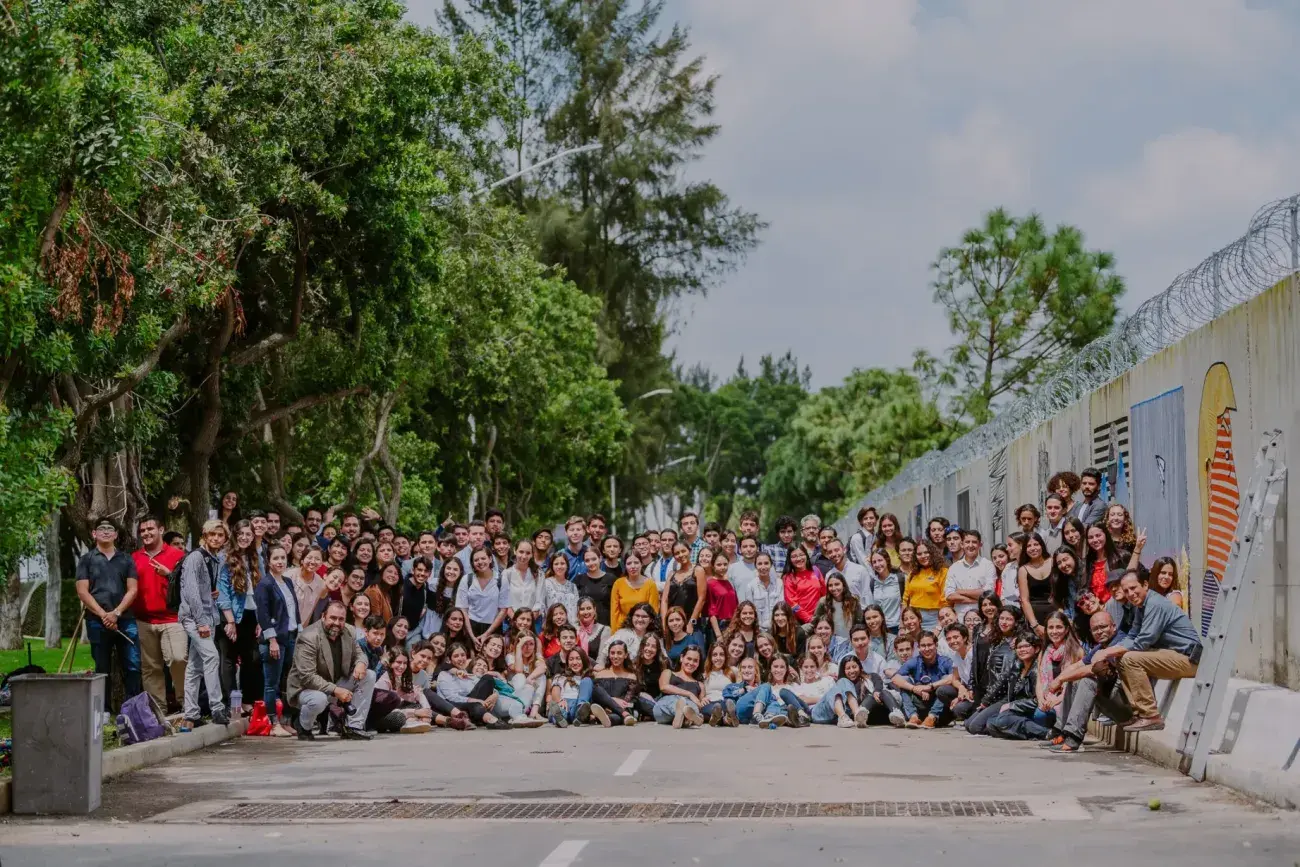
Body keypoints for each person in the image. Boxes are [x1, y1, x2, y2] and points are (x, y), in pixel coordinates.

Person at [1090, 570, 1202, 732]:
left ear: (1145, 585)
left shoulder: (1155, 604)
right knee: (1122, 658)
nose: (1130, 594)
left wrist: (1107, 653)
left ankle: (1150, 715)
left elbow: (1143, 642)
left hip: (1189, 659)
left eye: (1133, 588)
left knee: (1129, 659)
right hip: (1172, 656)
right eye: (1126, 590)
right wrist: (1110, 651)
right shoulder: (1140, 607)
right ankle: (1137, 714)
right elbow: (1132, 636)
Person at [1043, 609, 1135, 753]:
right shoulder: (1099, 647)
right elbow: (1077, 666)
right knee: (1074, 680)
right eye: (1095, 629)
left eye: (1103, 627)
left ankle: (1074, 738)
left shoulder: (1119, 643)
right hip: (1111, 704)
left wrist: (1060, 679)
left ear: (1114, 627)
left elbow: (1091, 669)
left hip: (1128, 710)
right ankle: (1062, 732)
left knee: (1087, 681)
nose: (1099, 631)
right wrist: (1055, 683)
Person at [285, 600, 375, 740]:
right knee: (319, 699)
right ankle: (303, 726)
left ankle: (354, 727)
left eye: (341, 619)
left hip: (335, 683)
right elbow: (307, 677)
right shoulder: (308, 637)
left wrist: (361, 663)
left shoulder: (349, 631)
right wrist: (336, 690)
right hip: (306, 688)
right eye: (333, 618)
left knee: (369, 675)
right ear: (323, 616)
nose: (337, 623)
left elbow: (359, 654)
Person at [76, 519, 142, 708]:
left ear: (116, 535)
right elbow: (82, 592)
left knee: (133, 665)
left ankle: (132, 708)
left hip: (125, 620)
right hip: (96, 622)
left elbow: (133, 589)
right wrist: (103, 615)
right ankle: (102, 711)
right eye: (101, 529)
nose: (106, 532)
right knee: (102, 669)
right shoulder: (86, 560)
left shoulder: (127, 559)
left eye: (110, 529)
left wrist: (116, 613)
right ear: (94, 534)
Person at [131, 515, 186, 711]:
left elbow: (187, 586)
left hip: (173, 619)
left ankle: (186, 704)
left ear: (161, 530)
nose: (146, 533)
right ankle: (158, 711)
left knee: (178, 659)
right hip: (144, 621)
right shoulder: (134, 558)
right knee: (150, 668)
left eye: (150, 529)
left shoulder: (178, 555)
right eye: (142, 530)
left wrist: (169, 575)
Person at [217, 519, 264, 709]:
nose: (244, 537)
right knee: (228, 658)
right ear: (235, 536)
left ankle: (246, 700)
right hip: (231, 615)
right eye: (241, 534)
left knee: (251, 658)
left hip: (251, 614)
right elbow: (222, 591)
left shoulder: (255, 557)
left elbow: (261, 589)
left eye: (248, 534)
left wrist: (261, 619)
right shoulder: (224, 557)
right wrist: (230, 621)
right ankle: (230, 703)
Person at [255, 544, 301, 737]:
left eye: (283, 558)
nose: (280, 562)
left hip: (290, 636)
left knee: (287, 681)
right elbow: (263, 615)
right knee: (271, 683)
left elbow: (293, 610)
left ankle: (286, 721)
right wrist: (272, 640)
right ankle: (273, 723)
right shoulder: (265, 584)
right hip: (274, 640)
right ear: (268, 561)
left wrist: (299, 631)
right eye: (276, 558)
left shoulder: (288, 581)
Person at [966, 631, 1040, 737]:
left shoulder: (1037, 671)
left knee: (978, 726)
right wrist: (986, 701)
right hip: (1009, 700)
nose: (1022, 650)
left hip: (1022, 706)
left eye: (1026, 646)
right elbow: (1001, 681)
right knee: (969, 724)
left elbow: (1037, 701)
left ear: (1036, 649)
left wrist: (1011, 705)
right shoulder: (1017, 665)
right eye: (1019, 647)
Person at [435, 642, 513, 729]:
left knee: (488, 678)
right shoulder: (444, 674)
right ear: (449, 660)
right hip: (453, 706)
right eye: (456, 656)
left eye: (463, 655)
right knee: (475, 705)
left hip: (472, 704)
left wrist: (495, 694)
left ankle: (478, 718)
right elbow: (452, 697)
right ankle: (491, 720)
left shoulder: (466, 673)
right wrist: (476, 700)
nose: (460, 658)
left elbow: (479, 685)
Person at [890, 631, 956, 728]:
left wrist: (930, 686)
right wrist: (914, 688)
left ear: (936, 645)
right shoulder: (915, 661)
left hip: (941, 710)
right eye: (923, 646)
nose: (926, 649)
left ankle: (932, 717)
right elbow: (895, 678)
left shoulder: (945, 661)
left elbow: (954, 677)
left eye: (929, 645)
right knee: (904, 680)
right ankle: (913, 717)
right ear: (919, 647)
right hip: (921, 703)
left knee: (946, 679)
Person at [456, 547, 511, 647]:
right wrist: (471, 635)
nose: (480, 562)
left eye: (483, 558)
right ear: (472, 563)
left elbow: (503, 610)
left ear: (490, 559)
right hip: (470, 626)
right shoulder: (467, 579)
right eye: (476, 560)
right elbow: (463, 609)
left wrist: (487, 634)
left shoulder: (501, 579)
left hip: (493, 627)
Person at [943, 530, 996, 619]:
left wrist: (960, 591)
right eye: (967, 542)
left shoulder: (988, 565)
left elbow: (988, 593)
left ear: (980, 545)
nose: (970, 545)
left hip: (982, 617)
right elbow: (949, 596)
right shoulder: (954, 568)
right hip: (960, 617)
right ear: (962, 544)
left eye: (974, 542)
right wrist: (976, 600)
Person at [653, 645, 706, 727]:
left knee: (692, 706)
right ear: (682, 658)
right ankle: (685, 716)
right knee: (677, 700)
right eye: (689, 659)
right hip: (664, 710)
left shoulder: (700, 685)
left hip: (690, 706)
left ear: (698, 664)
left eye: (695, 661)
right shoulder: (668, 672)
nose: (691, 663)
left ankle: (683, 717)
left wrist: (703, 701)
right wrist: (689, 694)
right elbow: (663, 687)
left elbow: (699, 705)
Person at [1017, 532, 1056, 635]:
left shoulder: (1053, 562)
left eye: (1036, 544)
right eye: (1029, 546)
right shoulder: (1023, 570)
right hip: (1035, 616)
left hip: (1055, 613)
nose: (1033, 548)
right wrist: (1035, 625)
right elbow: (1024, 600)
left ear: (1042, 545)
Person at [901, 540, 946, 631]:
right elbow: (905, 600)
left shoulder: (942, 572)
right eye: (919, 554)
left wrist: (940, 624)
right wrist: (902, 626)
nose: (923, 556)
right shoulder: (912, 574)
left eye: (926, 552)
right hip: (913, 618)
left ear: (932, 553)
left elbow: (945, 601)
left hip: (934, 618)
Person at [609, 549, 659, 631]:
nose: (633, 566)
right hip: (623, 629)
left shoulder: (650, 584)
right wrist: (615, 634)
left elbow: (654, 612)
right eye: (629, 563)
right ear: (625, 566)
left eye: (636, 562)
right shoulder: (618, 584)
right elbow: (614, 613)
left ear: (641, 564)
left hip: (644, 630)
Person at [597, 602, 658, 668]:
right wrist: (600, 666)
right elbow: (604, 654)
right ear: (632, 617)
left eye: (644, 617)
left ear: (651, 619)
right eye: (637, 616)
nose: (640, 619)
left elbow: (662, 658)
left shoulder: (655, 637)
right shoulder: (622, 634)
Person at [661, 542, 702, 633]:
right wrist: (664, 624)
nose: (681, 555)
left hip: (691, 622)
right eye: (677, 553)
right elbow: (664, 600)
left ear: (690, 551)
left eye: (683, 551)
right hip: (673, 623)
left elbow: (701, 599)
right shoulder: (672, 574)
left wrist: (691, 623)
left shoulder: (698, 570)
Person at [737, 550, 783, 630]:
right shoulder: (750, 586)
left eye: (766, 563)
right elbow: (750, 610)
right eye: (759, 564)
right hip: (759, 629)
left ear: (771, 565)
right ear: (755, 566)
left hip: (777, 627)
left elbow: (782, 607)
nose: (763, 567)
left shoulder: (779, 583)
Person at [698, 643, 740, 727]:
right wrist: (702, 699)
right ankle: (726, 719)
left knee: (727, 704)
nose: (718, 658)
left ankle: (719, 718)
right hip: (710, 703)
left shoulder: (733, 671)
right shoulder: (704, 675)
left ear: (725, 657)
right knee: (712, 708)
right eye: (714, 655)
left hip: (725, 701)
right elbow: (701, 694)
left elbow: (739, 689)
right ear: (710, 657)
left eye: (721, 654)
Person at [573, 547, 617, 627]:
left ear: (600, 558)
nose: (591, 563)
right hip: (584, 626)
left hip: (606, 625)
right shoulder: (578, 580)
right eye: (587, 560)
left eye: (594, 559)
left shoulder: (611, 579)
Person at [782, 546, 825, 625]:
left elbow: (824, 593)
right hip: (800, 622)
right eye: (794, 556)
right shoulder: (789, 577)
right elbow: (792, 604)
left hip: (819, 617)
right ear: (789, 559)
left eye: (801, 555)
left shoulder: (815, 570)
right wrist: (808, 618)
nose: (799, 559)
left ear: (806, 555)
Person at [812, 572, 860, 639]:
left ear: (843, 585)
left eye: (837, 584)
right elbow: (815, 621)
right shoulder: (823, 602)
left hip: (850, 639)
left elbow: (859, 622)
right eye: (830, 585)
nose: (833, 588)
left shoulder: (853, 600)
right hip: (831, 640)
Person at [705, 548, 739, 642]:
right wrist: (718, 634)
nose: (722, 567)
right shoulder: (710, 583)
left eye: (725, 564)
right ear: (713, 565)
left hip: (732, 624)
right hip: (719, 625)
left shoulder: (729, 581)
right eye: (719, 565)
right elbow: (711, 611)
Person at [537, 552, 580, 625]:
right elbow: (541, 607)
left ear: (567, 565)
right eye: (556, 564)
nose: (559, 566)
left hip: (570, 627)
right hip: (552, 626)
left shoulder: (573, 586)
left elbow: (576, 609)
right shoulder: (545, 583)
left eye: (562, 563)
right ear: (552, 566)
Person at [867, 550, 903, 631]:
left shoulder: (899, 579)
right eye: (874, 562)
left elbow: (905, 604)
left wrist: (902, 626)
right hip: (880, 628)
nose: (877, 564)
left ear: (887, 560)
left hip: (897, 626)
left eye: (880, 560)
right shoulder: (872, 582)